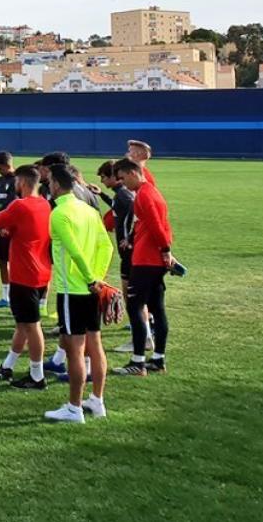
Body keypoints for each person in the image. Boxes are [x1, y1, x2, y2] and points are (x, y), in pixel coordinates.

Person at [45, 164, 113, 423]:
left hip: (72, 289)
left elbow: (73, 250)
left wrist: (89, 278)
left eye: (50, 182)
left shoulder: (59, 213)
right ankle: (97, 401)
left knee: (75, 350)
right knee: (95, 345)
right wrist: (99, 277)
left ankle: (74, 408)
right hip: (92, 288)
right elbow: (105, 246)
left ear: (56, 185)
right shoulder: (88, 210)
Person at [0, 166, 52, 390]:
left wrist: (9, 229)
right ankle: (8, 365)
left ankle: (37, 375)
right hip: (42, 271)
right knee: (23, 323)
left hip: (25, 274)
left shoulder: (19, 205)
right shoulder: (44, 203)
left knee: (32, 325)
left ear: (22, 183)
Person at [113, 158, 174, 376]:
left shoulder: (146, 195)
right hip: (154, 260)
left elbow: (158, 226)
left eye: (122, 178)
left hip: (146, 261)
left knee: (135, 307)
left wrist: (165, 249)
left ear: (132, 173)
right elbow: (161, 226)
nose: (121, 183)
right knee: (157, 308)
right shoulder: (151, 192)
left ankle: (137, 362)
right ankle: (158, 359)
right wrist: (166, 251)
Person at [95, 161, 150, 356]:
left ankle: (144, 339)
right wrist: (101, 195)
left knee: (132, 298)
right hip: (128, 253)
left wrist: (129, 239)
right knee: (133, 298)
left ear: (114, 176)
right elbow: (119, 208)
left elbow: (137, 216)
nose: (102, 181)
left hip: (130, 254)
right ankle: (146, 335)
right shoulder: (121, 195)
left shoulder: (125, 195)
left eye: (103, 177)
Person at [0, 151, 18, 309]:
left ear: (7, 165)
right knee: (1, 260)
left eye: (0, 168)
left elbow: (11, 202)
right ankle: (5, 296)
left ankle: (15, 295)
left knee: (14, 261)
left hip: (11, 228)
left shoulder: (17, 180)